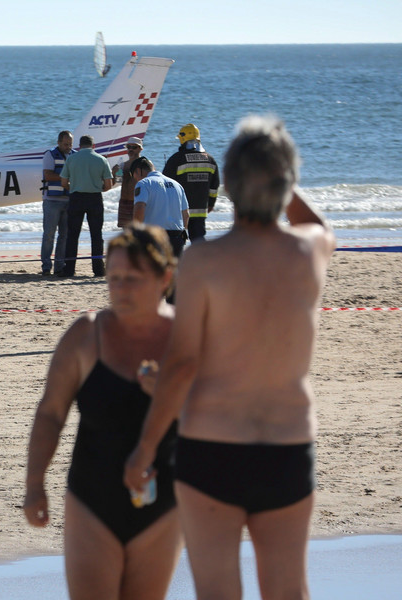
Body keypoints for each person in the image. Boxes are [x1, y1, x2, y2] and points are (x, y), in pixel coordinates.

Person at [124, 116, 335, 600]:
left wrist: (146, 445)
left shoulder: (204, 261)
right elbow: (315, 224)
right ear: (285, 180)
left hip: (213, 444)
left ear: (232, 186)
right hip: (286, 444)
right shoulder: (309, 252)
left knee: (218, 590)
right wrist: (282, 175)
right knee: (287, 589)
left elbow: (181, 367)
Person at [25, 224, 182, 600]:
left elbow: (219, 419)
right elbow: (50, 413)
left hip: (163, 507)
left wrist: (168, 394)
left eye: (133, 278)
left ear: (166, 277)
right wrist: (34, 485)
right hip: (91, 501)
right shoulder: (86, 335)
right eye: (114, 278)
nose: (121, 289)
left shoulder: (187, 338)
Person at [58, 135, 114, 277]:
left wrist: (74, 186)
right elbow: (109, 184)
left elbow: (63, 182)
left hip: (76, 197)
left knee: (72, 235)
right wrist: (97, 187)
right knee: (96, 235)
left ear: (79, 146)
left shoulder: (71, 158)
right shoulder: (101, 159)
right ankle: (98, 269)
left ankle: (69, 268)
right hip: (94, 198)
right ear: (93, 146)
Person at [163, 124, 220, 243]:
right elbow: (214, 187)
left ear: (183, 139)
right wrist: (210, 204)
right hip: (200, 210)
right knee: (198, 242)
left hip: (179, 211)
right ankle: (201, 261)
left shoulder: (176, 159)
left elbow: (165, 185)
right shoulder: (210, 160)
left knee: (176, 242)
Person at [131, 157, 190, 258]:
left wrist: (136, 232)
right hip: (176, 237)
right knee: (173, 272)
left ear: (138, 171)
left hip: (153, 237)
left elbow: (140, 207)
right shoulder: (177, 185)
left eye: (133, 175)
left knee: (152, 272)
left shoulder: (144, 183)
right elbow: (186, 214)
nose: (135, 179)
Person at [40, 131, 74, 276]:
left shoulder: (74, 155)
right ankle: (46, 266)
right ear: (59, 142)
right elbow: (48, 175)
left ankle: (60, 266)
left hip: (69, 200)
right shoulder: (50, 155)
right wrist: (65, 179)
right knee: (49, 234)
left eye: (70, 144)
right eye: (65, 144)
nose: (68, 147)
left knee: (64, 235)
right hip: (52, 201)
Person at [112, 138, 144, 229]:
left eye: (133, 147)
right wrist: (114, 173)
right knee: (126, 233)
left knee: (138, 231)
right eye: (128, 147)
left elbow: (151, 183)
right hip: (124, 202)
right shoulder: (123, 165)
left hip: (138, 202)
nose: (130, 149)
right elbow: (117, 182)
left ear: (140, 149)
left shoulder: (144, 164)